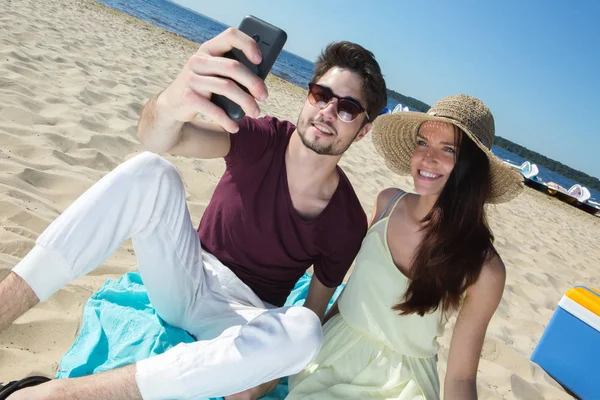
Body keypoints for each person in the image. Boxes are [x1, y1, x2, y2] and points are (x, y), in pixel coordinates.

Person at [0, 27, 387, 400]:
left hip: (239, 320)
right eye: (321, 94)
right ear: (308, 97)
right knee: (152, 170)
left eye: (348, 108)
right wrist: (172, 101)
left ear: (364, 129)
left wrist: (269, 375)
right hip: (187, 275)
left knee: (304, 332)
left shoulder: (347, 221)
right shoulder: (263, 139)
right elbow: (163, 137)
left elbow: (313, 312)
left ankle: (63, 395)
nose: (327, 111)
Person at [286, 94, 524, 400]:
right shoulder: (387, 203)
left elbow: (461, 376)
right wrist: (311, 336)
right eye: (423, 143)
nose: (427, 158)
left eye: (448, 149)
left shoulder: (484, 269)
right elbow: (351, 294)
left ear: (471, 167)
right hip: (333, 357)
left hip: (403, 386)